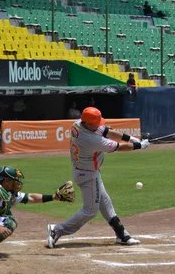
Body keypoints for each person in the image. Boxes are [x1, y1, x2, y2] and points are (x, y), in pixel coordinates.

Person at [47, 107, 150, 249]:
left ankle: (122, 235)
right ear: (88, 123)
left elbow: (106, 130)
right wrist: (139, 145)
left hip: (85, 171)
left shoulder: (78, 124)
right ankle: (57, 230)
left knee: (105, 203)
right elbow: (119, 147)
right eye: (96, 123)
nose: (99, 125)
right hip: (88, 175)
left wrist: (131, 138)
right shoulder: (92, 140)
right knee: (90, 211)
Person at [0, 166, 70, 260]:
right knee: (9, 222)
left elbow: (29, 197)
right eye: (15, 180)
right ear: (6, 181)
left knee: (4, 215)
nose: (17, 183)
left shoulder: (6, 191)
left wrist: (54, 197)